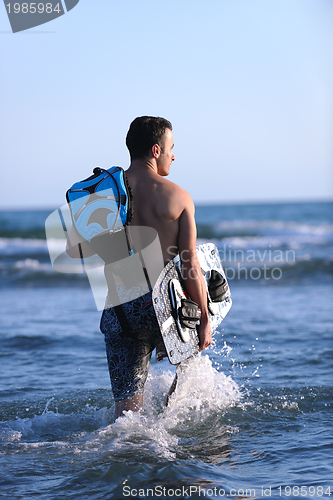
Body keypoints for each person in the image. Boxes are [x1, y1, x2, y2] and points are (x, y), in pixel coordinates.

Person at [68, 116, 212, 420]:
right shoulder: (179, 198)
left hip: (122, 309)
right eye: (172, 147)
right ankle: (169, 435)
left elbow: (75, 250)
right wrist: (204, 318)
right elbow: (190, 264)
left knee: (126, 416)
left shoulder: (105, 195)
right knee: (189, 374)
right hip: (167, 307)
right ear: (156, 150)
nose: (175, 155)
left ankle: (129, 447)